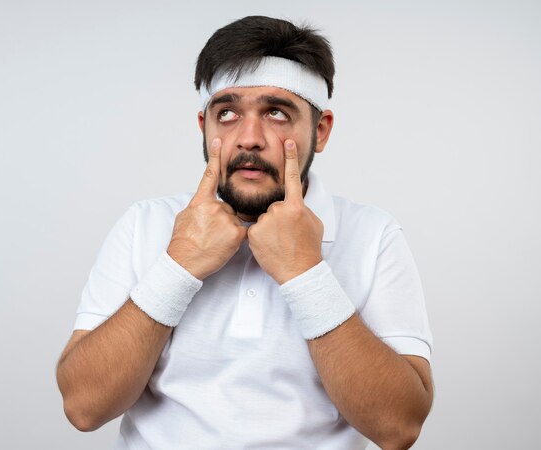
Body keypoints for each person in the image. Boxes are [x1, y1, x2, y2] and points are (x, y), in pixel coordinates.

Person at [56, 15, 433, 450]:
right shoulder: (145, 224)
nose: (249, 138)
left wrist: (304, 272)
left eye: (276, 112)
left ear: (321, 130)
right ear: (205, 127)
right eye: (228, 113)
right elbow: (84, 408)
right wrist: (179, 265)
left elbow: (398, 428)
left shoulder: (374, 234)